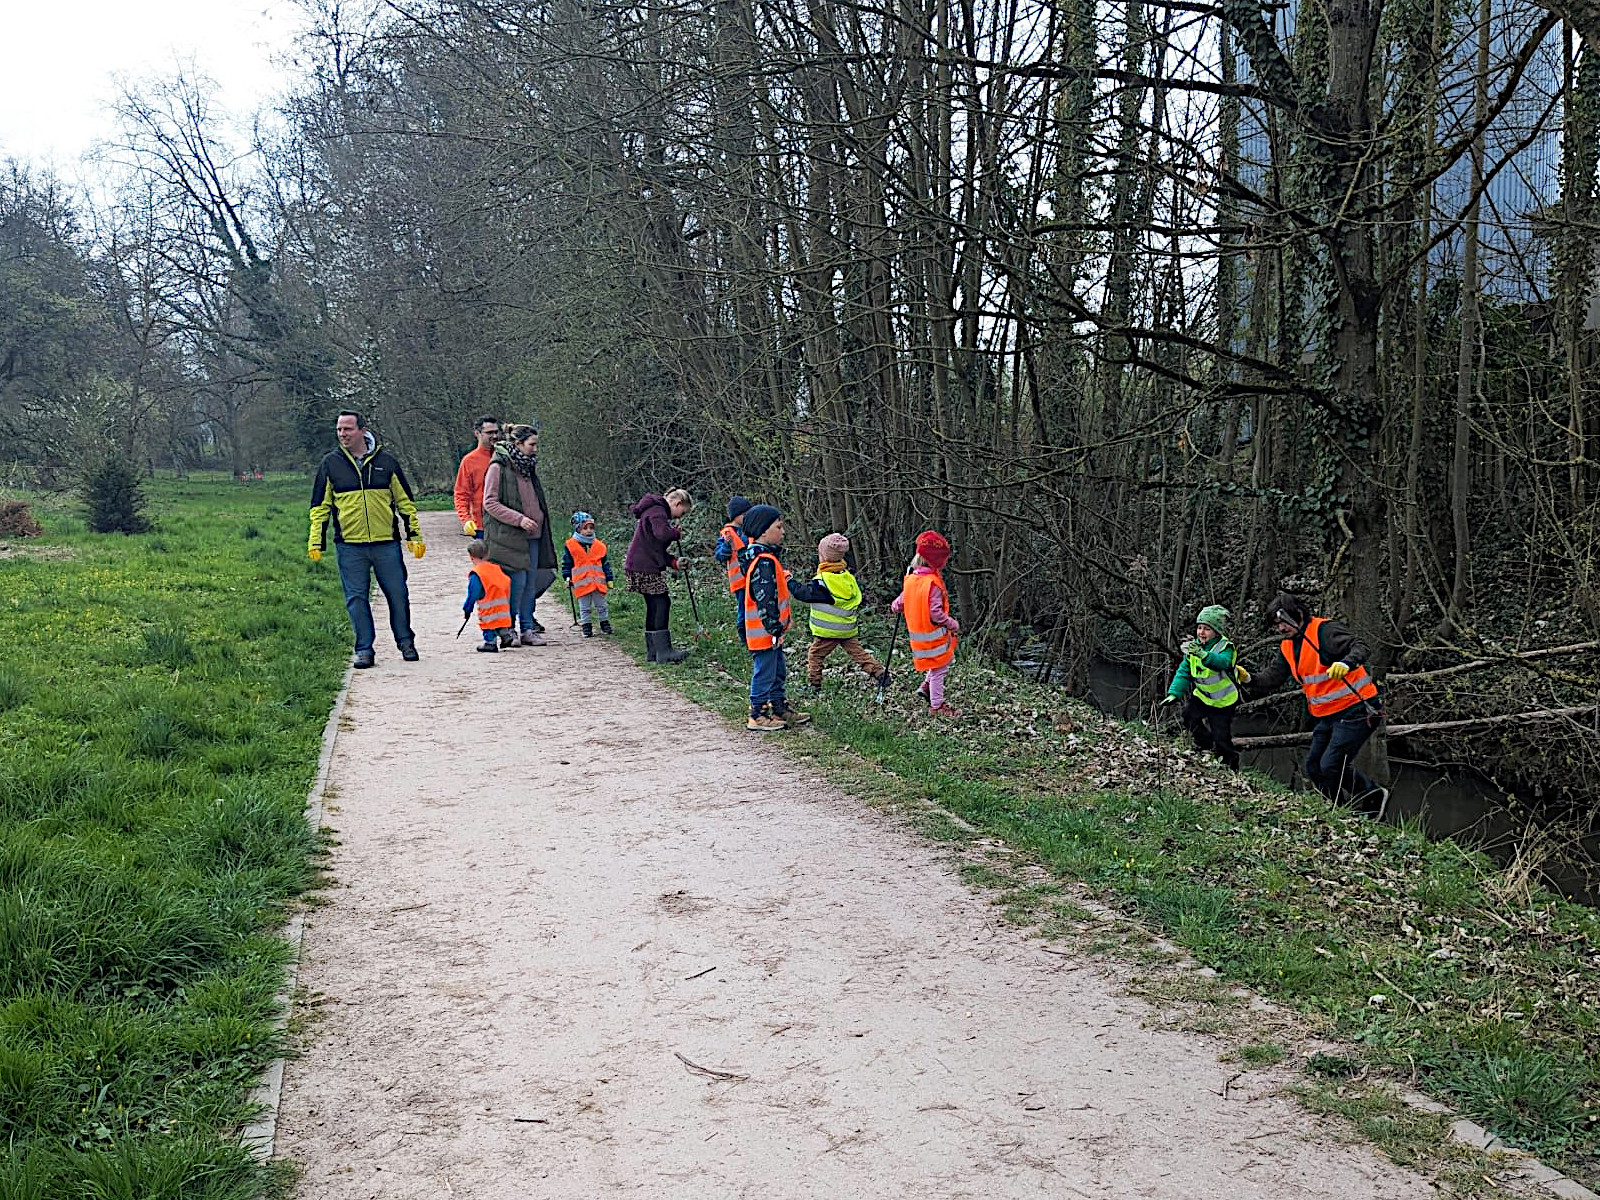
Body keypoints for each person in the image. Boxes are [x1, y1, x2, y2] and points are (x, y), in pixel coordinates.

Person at [1242, 592, 1389, 818]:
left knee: (1330, 765)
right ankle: (1339, 811)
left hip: (1358, 710)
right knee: (1314, 766)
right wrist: (1249, 678)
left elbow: (1360, 646)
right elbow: (1272, 678)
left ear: (1298, 615)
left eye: (1283, 622)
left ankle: (1373, 796)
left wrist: (1346, 663)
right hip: (1328, 715)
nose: (1280, 629)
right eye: (1276, 625)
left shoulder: (1323, 631)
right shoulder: (1288, 647)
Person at [308, 410, 424, 669]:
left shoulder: (387, 462)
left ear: (362, 430)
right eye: (339, 429)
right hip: (350, 545)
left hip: (386, 543)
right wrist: (316, 541)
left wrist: (413, 534)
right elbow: (320, 506)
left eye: (348, 429)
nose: (342, 434)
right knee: (356, 599)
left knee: (398, 594)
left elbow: (405, 502)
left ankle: (406, 642)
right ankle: (364, 649)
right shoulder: (330, 464)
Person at [482, 424, 557, 646]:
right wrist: (519, 519)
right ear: (518, 444)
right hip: (509, 538)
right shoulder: (498, 467)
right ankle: (508, 629)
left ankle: (527, 628)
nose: (535, 449)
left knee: (530, 584)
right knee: (516, 584)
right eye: (532, 444)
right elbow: (490, 503)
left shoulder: (528, 467)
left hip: (534, 535)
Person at [737, 505, 809, 730]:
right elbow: (765, 598)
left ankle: (779, 708)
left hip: (770, 631)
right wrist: (774, 627)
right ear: (763, 531)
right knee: (765, 672)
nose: (783, 532)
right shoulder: (764, 562)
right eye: (778, 527)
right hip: (765, 631)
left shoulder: (765, 557)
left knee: (777, 671)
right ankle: (757, 714)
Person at [791, 532, 887, 693]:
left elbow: (802, 594)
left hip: (828, 631)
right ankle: (879, 673)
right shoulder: (847, 577)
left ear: (823, 557)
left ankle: (814, 685)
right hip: (847, 628)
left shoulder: (822, 582)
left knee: (815, 655)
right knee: (858, 653)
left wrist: (789, 581)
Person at [1162, 604, 1243, 770]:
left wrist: (1204, 655)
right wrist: (1174, 693)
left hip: (1223, 702)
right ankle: (1206, 745)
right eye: (1199, 628)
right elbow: (1184, 672)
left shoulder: (1225, 647)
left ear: (1216, 632)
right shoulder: (1194, 647)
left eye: (1207, 629)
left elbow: (1222, 663)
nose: (1201, 632)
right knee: (1188, 717)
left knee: (1222, 738)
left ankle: (1231, 766)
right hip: (1202, 696)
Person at [891, 531, 960, 718]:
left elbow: (897, 604)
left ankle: (926, 686)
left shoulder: (912, 580)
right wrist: (951, 623)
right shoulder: (932, 583)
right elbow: (935, 613)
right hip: (933, 636)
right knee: (940, 669)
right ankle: (936, 706)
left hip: (918, 637)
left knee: (939, 664)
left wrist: (898, 606)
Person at [625, 487, 694, 663]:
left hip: (640, 564)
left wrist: (675, 563)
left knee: (654, 605)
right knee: (662, 603)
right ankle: (664, 651)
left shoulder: (654, 510)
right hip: (646, 567)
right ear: (677, 503)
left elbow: (656, 548)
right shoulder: (658, 511)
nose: (679, 518)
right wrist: (676, 533)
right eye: (682, 513)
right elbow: (662, 534)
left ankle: (653, 652)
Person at [562, 511, 614, 637]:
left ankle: (605, 624)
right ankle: (586, 626)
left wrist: (609, 578)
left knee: (602, 605)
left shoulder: (599, 546)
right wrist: (567, 577)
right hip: (581, 582)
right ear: (578, 529)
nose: (589, 531)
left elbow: (605, 564)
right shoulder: (571, 545)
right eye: (585, 528)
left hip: (598, 582)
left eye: (591, 528)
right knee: (584, 607)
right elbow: (567, 563)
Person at [714, 495, 753, 644]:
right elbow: (720, 555)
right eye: (744, 514)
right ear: (736, 516)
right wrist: (726, 545)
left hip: (753, 577)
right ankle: (744, 637)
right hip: (740, 581)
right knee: (743, 609)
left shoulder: (750, 530)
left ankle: (753, 635)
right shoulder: (727, 534)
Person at [462, 540, 514, 652]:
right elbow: (506, 581)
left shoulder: (477, 573)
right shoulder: (496, 568)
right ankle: (506, 635)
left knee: (488, 624)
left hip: (488, 605)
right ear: (487, 554)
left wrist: (467, 608)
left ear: (471, 557)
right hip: (502, 604)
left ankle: (490, 643)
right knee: (500, 622)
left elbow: (473, 593)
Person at [452, 415, 500, 538]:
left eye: (496, 432)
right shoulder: (469, 461)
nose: (494, 436)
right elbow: (461, 494)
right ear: (477, 433)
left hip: (507, 525)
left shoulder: (505, 457)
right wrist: (466, 520)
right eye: (489, 433)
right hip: (481, 526)